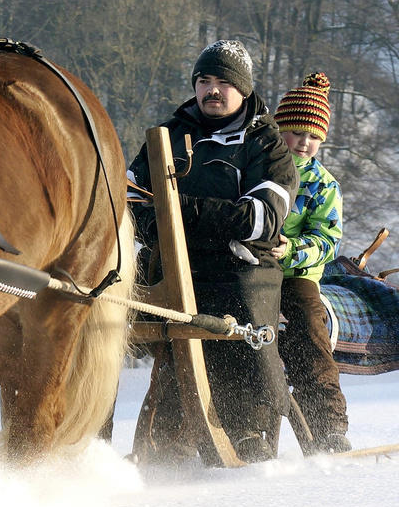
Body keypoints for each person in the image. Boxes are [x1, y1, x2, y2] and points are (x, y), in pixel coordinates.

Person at [128, 40, 300, 463]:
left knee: (234, 305)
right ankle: (134, 436)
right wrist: (162, 227)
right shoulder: (165, 136)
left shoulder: (268, 146)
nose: (213, 90)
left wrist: (175, 211)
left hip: (237, 267)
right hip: (169, 263)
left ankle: (247, 429)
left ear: (243, 89)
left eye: (224, 82)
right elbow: (130, 199)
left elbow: (260, 220)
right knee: (92, 310)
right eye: (204, 80)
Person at [271, 73, 351, 453]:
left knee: (307, 328)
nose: (304, 142)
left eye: (314, 136)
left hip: (296, 274)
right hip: (250, 271)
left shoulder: (323, 185)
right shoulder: (257, 170)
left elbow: (328, 240)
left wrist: (291, 248)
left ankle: (328, 424)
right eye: (296, 132)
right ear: (279, 129)